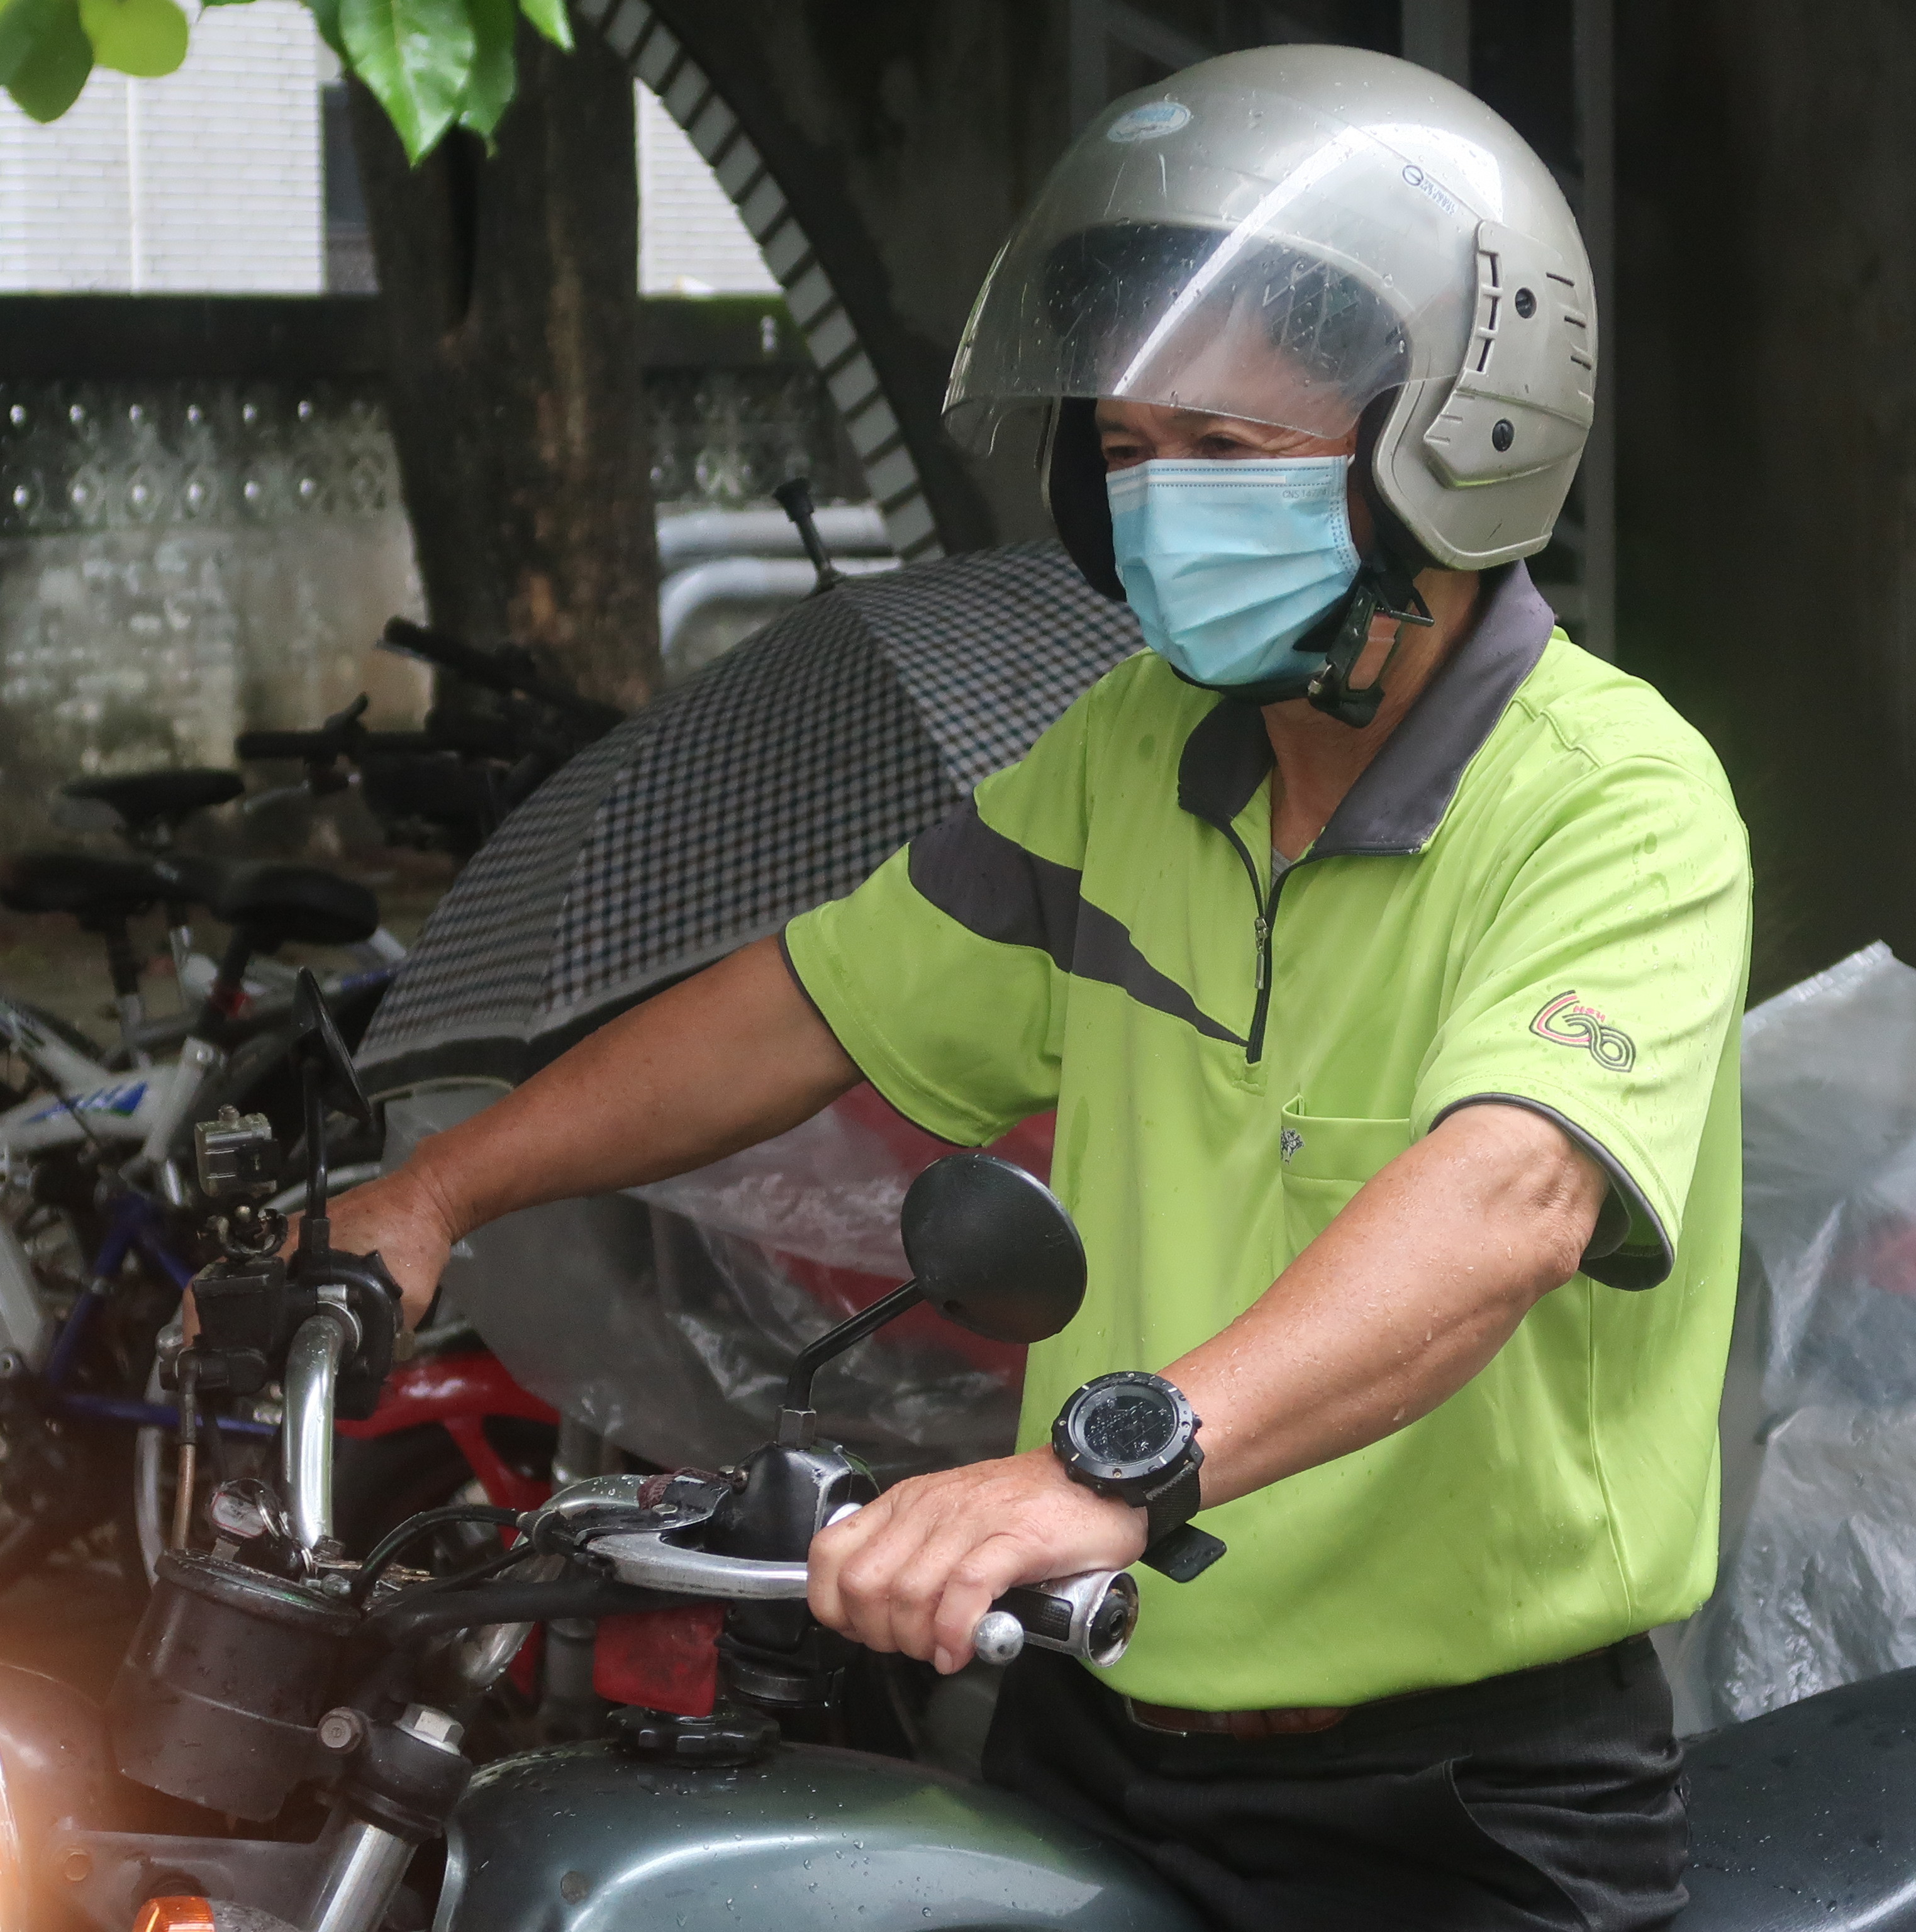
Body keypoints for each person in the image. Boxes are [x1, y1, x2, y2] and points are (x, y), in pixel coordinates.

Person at [331, 45, 1750, 1932]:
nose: (1168, 513)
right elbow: (809, 1005)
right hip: (1097, 1724)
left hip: (1457, 1812)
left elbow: (1506, 1203)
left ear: (1456, 442)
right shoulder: (1133, 751)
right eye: (1137, 456)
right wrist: (445, 1188)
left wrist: (1111, 1471)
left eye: (1235, 454)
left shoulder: (1614, 801)